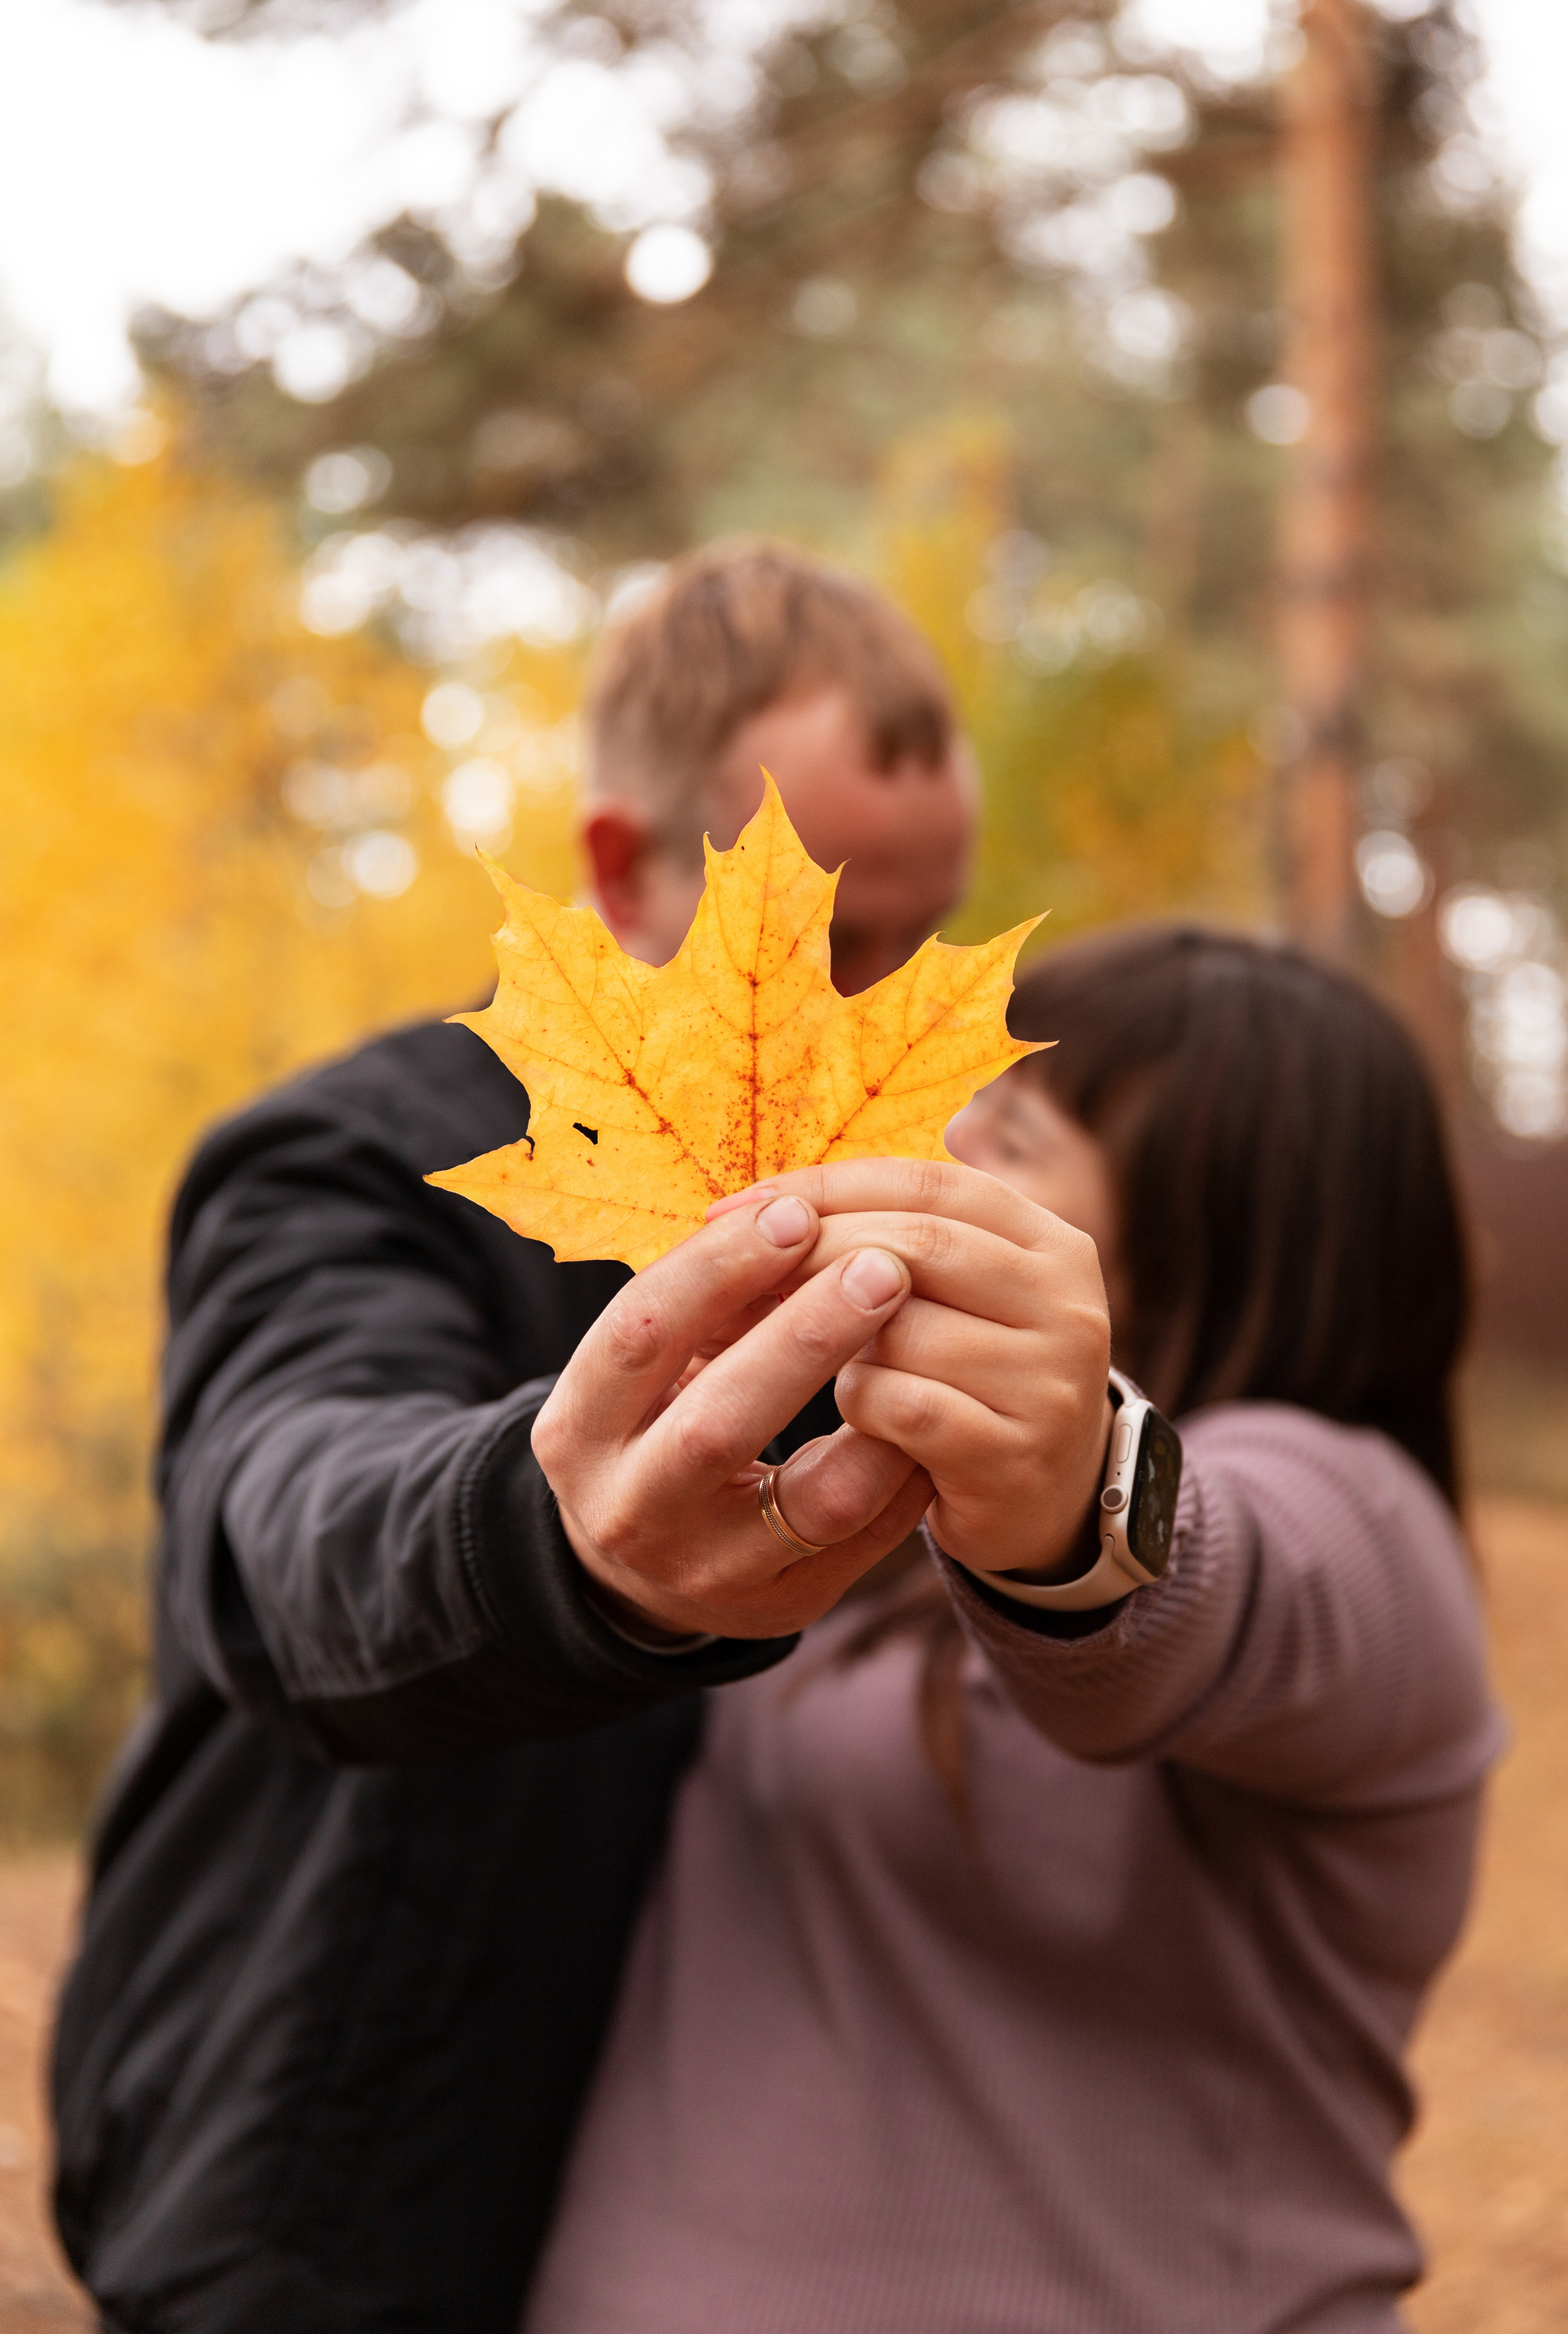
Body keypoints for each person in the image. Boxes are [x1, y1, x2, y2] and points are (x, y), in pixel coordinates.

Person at [50, 538, 979, 2333]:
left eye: (925, 943)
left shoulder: (892, 1211)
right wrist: (559, 1543)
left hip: (661, 2211)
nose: (885, 1016)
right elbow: (289, 1523)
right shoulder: (346, 1158)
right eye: (837, 941)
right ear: (621, 869)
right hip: (312, 2190)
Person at [518, 925, 1498, 2334]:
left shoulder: (1361, 1522)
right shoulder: (852, 1503)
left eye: (1013, 1132)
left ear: (1205, 1242)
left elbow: (1209, 1589)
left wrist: (1072, 1500)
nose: (937, 1142)